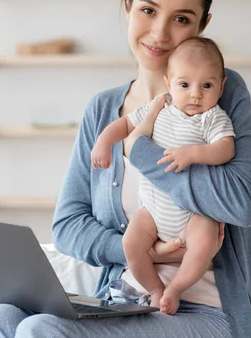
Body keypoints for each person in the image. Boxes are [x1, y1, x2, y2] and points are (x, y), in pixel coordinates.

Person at [0, 0, 251, 338]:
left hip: (209, 311)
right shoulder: (103, 110)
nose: (160, 33)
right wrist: (141, 251)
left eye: (181, 19)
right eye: (148, 10)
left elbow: (245, 203)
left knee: (42, 331)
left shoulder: (219, 93)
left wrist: (141, 152)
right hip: (124, 298)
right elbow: (68, 224)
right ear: (127, 6)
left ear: (203, 25)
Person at [90, 37, 235, 315]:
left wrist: (193, 154)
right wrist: (103, 142)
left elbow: (225, 149)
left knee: (204, 245)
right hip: (154, 210)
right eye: (185, 85)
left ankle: (176, 288)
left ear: (221, 86)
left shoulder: (212, 117)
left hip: (193, 211)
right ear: (169, 83)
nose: (195, 94)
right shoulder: (159, 107)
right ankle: (156, 289)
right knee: (131, 243)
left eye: (207, 85)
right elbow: (124, 124)